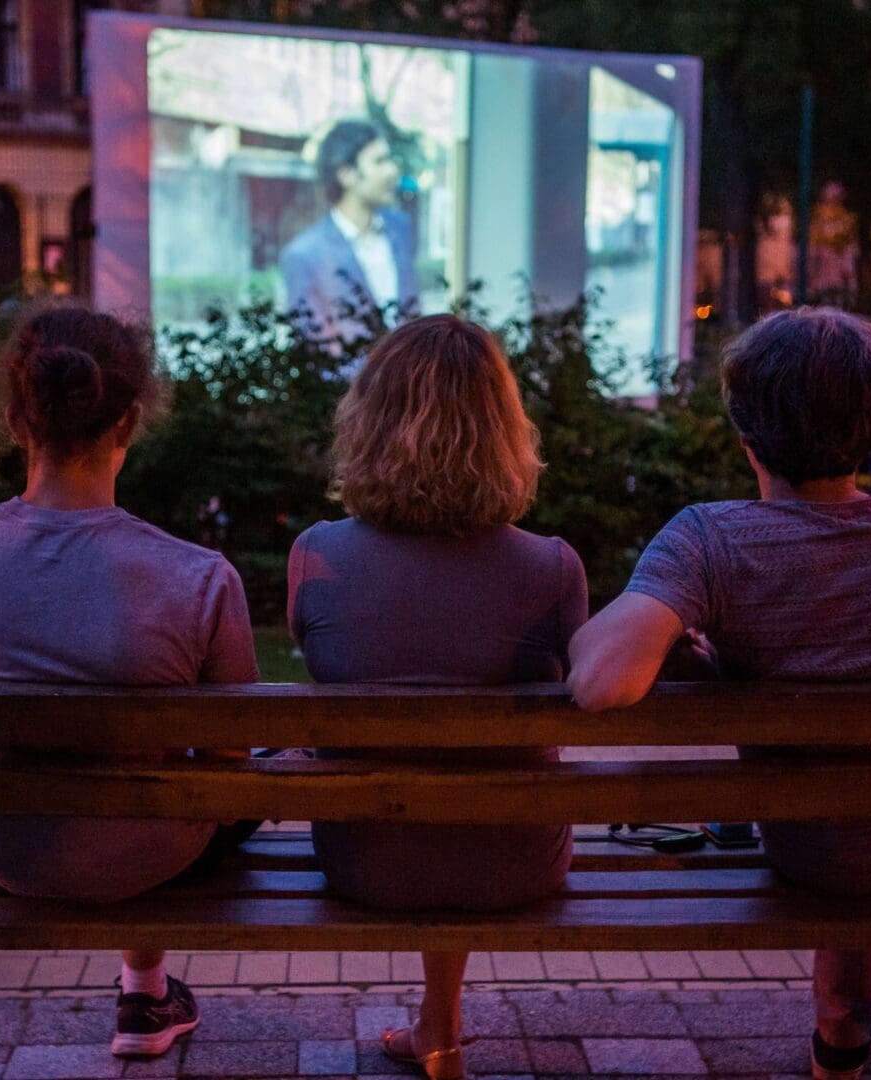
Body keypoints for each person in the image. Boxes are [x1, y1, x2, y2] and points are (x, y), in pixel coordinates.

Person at [566, 307, 871, 1080]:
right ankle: (840, 1033)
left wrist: (688, 648)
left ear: (746, 434)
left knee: (845, 808)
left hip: (812, 849)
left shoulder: (711, 539)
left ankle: (839, 1027)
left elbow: (598, 682)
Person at [0, 308, 258, 1057]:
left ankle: (144, 995)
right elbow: (234, 761)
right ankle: (143, 991)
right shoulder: (199, 577)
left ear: (15, 418)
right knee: (206, 779)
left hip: (6, 847)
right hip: (153, 852)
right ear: (129, 422)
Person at [288, 315, 585, 1080]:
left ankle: (439, 1024)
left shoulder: (317, 555)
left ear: (370, 422)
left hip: (363, 859)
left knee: (420, 780)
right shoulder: (552, 568)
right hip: (514, 862)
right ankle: (441, 1025)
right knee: (470, 786)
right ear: (504, 429)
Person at [279, 118, 420, 343]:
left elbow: (413, 316)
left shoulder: (400, 229)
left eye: (389, 159)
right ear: (346, 174)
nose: (392, 170)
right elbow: (312, 349)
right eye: (379, 161)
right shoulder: (305, 255)